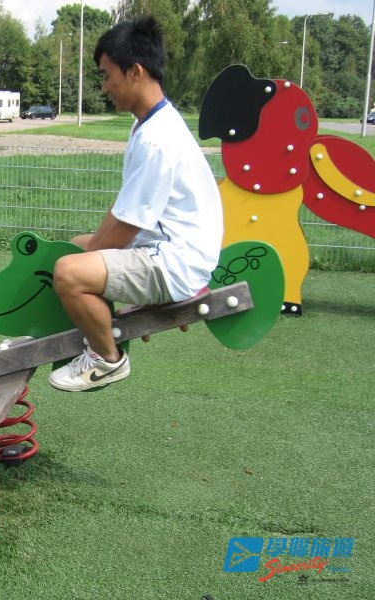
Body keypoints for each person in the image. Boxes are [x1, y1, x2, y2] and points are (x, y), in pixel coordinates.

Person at [48, 16, 223, 392]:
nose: (104, 86)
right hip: (174, 248)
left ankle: (106, 358)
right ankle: (99, 320)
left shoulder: (158, 139)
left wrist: (87, 258)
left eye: (106, 75)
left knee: (68, 272)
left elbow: (128, 226)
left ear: (135, 72)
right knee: (73, 249)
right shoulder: (148, 123)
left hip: (175, 261)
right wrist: (88, 249)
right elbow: (125, 210)